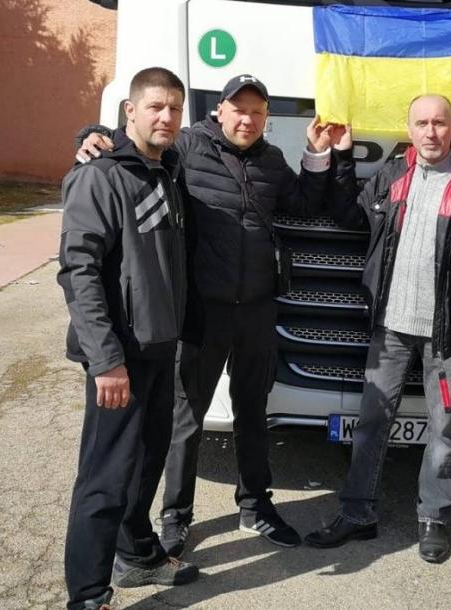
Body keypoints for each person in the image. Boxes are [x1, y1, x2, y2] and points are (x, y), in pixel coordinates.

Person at [77, 74, 335, 556]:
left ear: (266, 119)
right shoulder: (189, 148)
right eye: (239, 109)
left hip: (257, 308)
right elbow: (141, 144)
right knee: (186, 418)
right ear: (220, 111)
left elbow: (304, 204)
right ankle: (176, 516)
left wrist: (317, 154)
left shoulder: (272, 161)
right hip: (202, 310)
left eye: (257, 112)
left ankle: (256, 506)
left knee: (253, 411)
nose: (248, 119)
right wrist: (93, 134)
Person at [303, 94, 451, 563]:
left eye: (439, 123)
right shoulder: (391, 176)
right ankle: (357, 512)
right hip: (390, 331)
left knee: (444, 429)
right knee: (370, 424)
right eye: (422, 123)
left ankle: (435, 518)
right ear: (409, 127)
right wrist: (340, 157)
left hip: (449, 338)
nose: (431, 132)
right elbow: (350, 216)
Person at [58, 67, 198, 610]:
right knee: (104, 479)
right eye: (156, 107)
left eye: (175, 109)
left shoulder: (166, 171)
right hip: (121, 355)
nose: (166, 117)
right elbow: (79, 271)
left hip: (161, 347)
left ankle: (138, 555)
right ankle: (88, 595)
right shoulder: (101, 177)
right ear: (130, 112)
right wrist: (106, 361)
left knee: (145, 463)